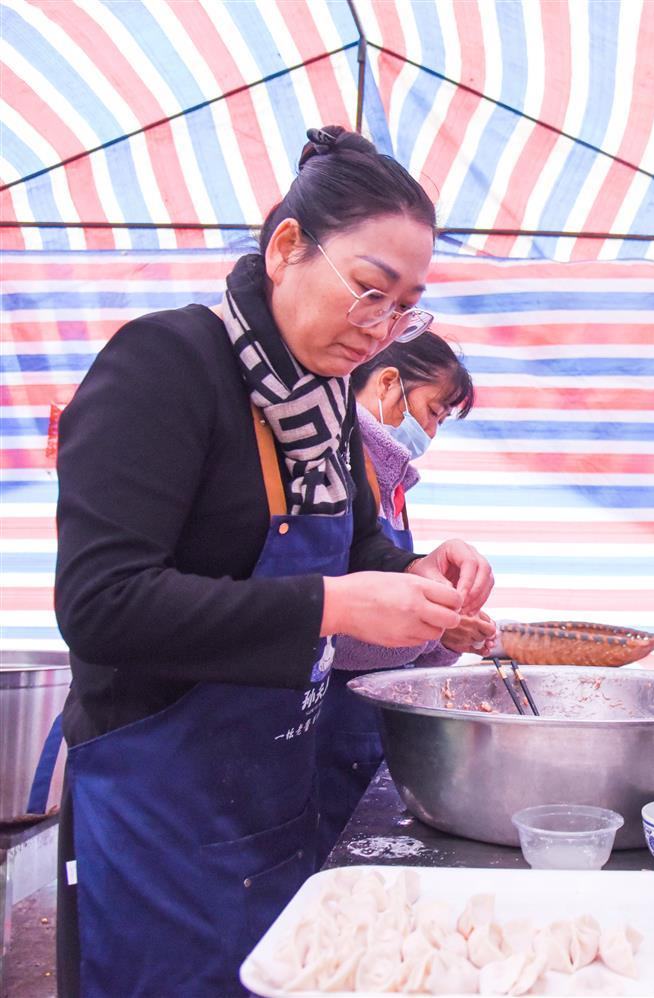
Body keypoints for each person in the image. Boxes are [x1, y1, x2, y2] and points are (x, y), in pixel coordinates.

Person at [53, 126, 494, 997]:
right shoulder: (164, 366)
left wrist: (417, 570)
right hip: (160, 818)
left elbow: (360, 543)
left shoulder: (327, 397)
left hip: (270, 807)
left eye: (407, 308)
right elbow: (102, 604)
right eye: (371, 292)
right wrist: (331, 605)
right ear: (287, 246)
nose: (384, 330)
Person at [315, 334, 497, 858]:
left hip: (363, 721)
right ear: (389, 382)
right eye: (433, 412)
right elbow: (336, 617)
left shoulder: (392, 483)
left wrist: (445, 625)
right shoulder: (341, 465)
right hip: (327, 721)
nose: (433, 432)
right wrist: (435, 625)